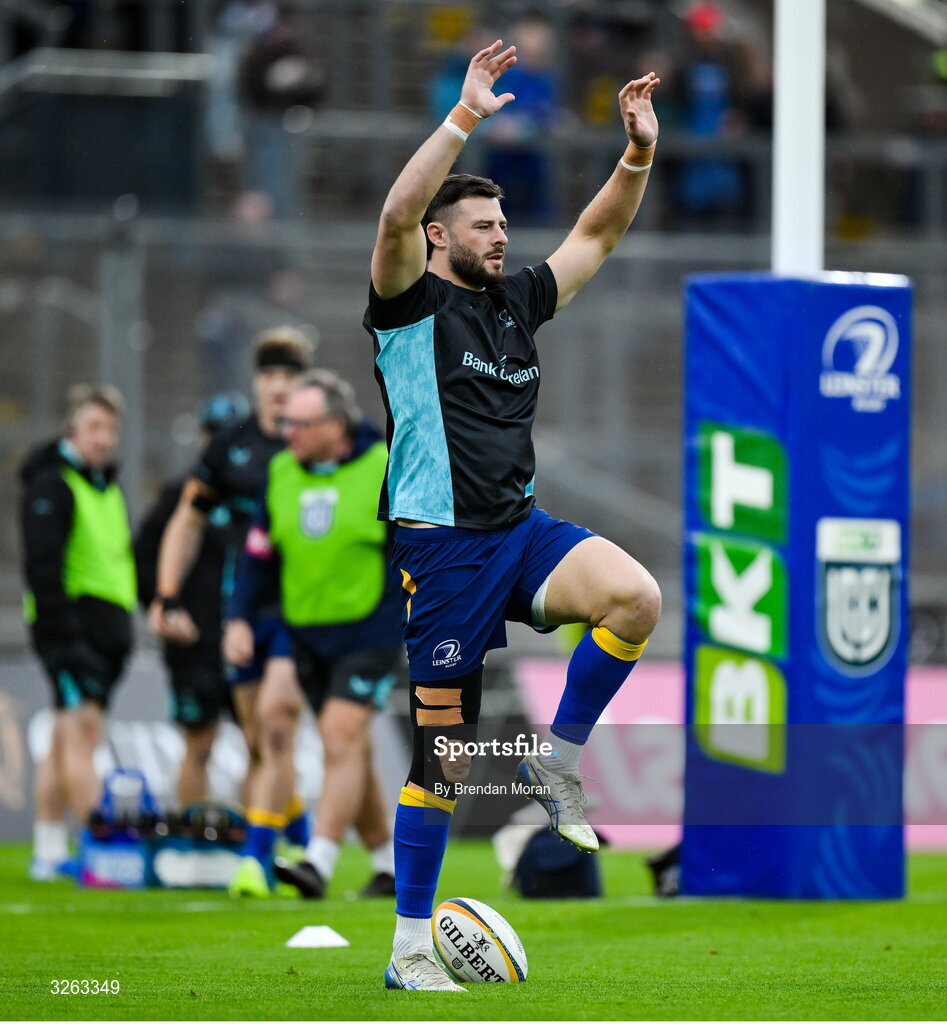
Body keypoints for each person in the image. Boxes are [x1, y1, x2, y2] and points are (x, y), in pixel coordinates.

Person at [365, 39, 661, 990]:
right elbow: (395, 211)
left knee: (634, 598)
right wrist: (462, 119)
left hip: (519, 533)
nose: (500, 236)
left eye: (501, 222)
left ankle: (556, 761)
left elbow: (596, 237)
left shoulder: (514, 306)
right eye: (482, 225)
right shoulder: (407, 305)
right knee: (440, 762)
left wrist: (636, 155)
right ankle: (411, 950)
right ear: (442, 238)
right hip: (442, 554)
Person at [223, 370, 403, 898]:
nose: (288, 433)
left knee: (339, 737)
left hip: (370, 632)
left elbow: (411, 551)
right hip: (305, 633)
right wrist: (238, 617)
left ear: (335, 425)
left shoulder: (383, 466)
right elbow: (257, 556)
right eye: (285, 423)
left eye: (300, 424)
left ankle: (318, 861)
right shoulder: (280, 472)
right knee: (352, 747)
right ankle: (387, 864)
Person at [149, 326, 313, 856]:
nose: (279, 385)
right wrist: (168, 593)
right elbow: (186, 520)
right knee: (254, 739)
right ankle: (291, 833)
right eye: (270, 374)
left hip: (299, 612)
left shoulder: (314, 443)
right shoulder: (230, 447)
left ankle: (264, 854)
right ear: (256, 382)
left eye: (290, 375)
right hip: (239, 614)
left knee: (274, 728)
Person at [20, 384, 136, 880]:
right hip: (71, 627)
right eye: (94, 427)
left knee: (68, 733)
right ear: (73, 429)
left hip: (104, 628)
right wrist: (63, 635)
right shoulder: (53, 484)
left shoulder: (102, 484)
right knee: (83, 732)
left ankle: (48, 849)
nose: (104, 439)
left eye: (111, 429)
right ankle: (101, 852)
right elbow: (43, 566)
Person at [134, 392, 251, 808]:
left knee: (260, 744)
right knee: (199, 742)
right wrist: (166, 606)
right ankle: (190, 837)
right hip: (195, 643)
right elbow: (143, 558)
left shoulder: (255, 497)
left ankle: (256, 847)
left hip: (247, 636)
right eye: (216, 435)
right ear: (203, 440)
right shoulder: (178, 496)